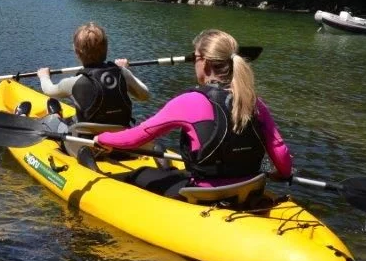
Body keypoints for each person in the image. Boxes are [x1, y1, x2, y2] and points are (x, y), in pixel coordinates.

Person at [87, 29, 292, 199]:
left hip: (206, 194)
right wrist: (281, 174)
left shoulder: (190, 101)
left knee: (139, 174)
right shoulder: (254, 101)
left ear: (205, 63)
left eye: (195, 58)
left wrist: (102, 138)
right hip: (250, 189)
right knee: (173, 173)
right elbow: (279, 150)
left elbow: (138, 136)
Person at [35, 22, 150, 126]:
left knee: (51, 123)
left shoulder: (73, 83)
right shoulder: (122, 73)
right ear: (106, 49)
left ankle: (55, 115)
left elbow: (49, 90)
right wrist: (125, 70)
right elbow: (145, 95)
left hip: (87, 139)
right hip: (120, 135)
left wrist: (44, 76)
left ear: (76, 52)